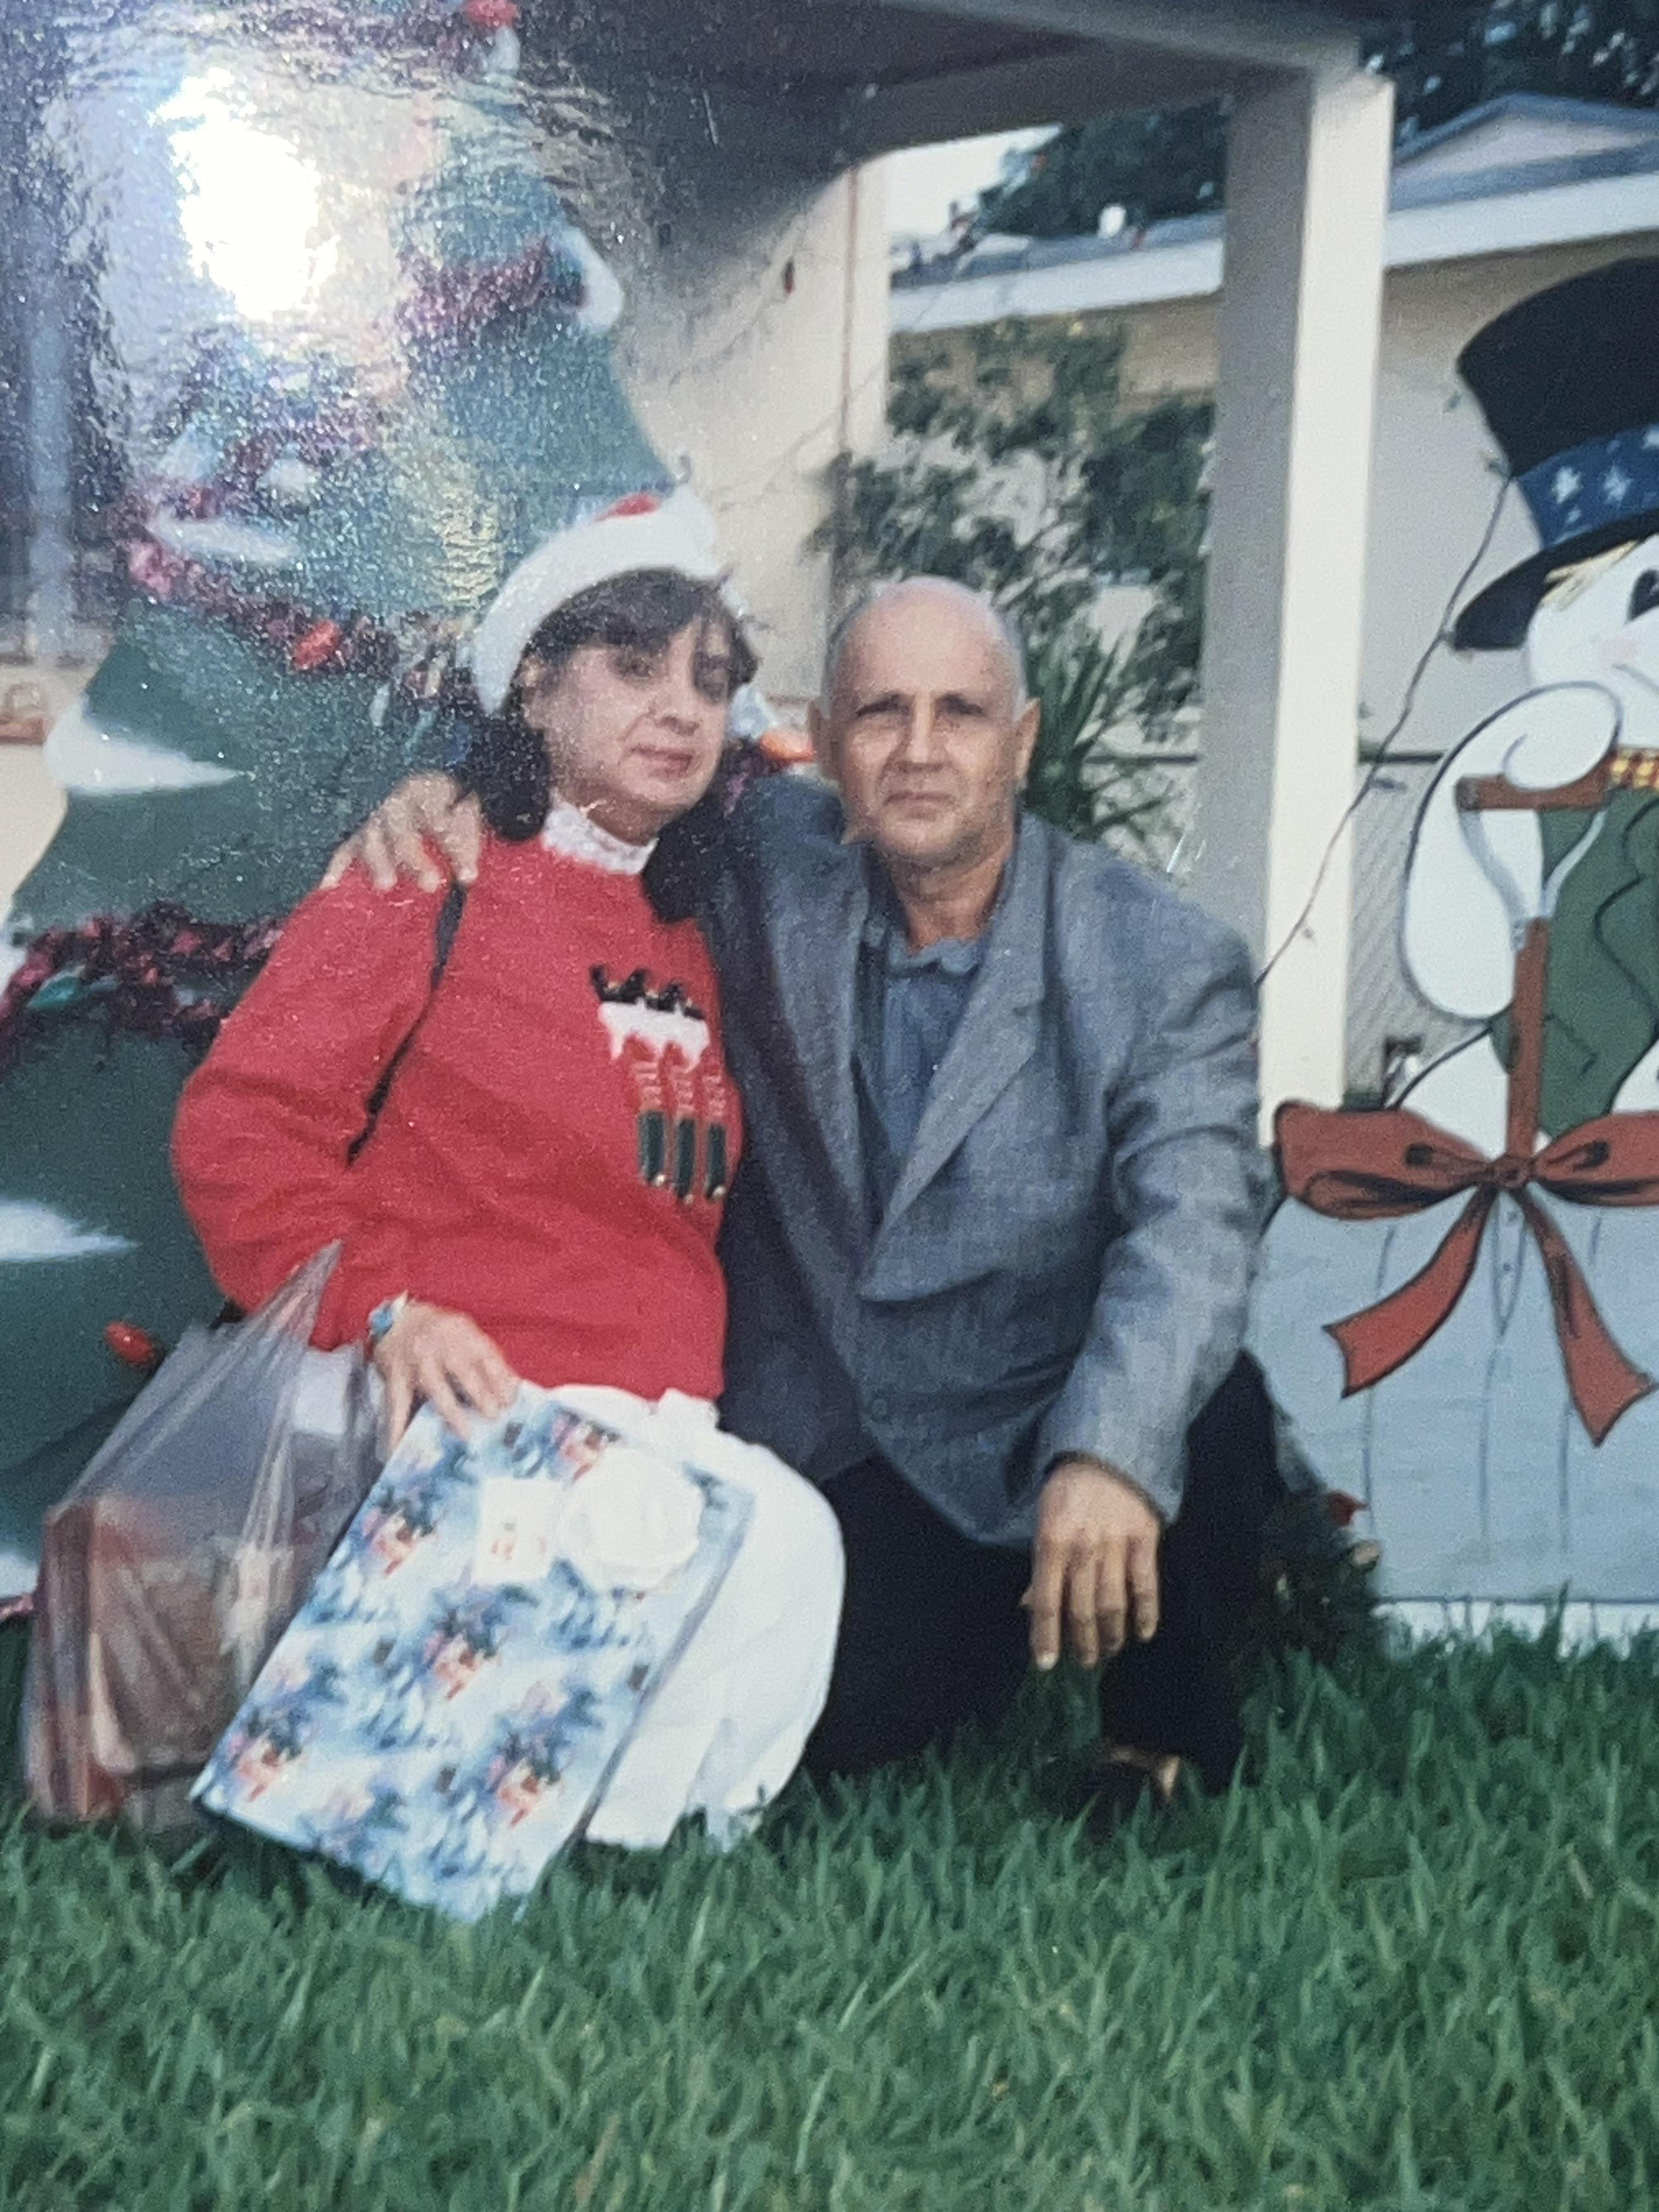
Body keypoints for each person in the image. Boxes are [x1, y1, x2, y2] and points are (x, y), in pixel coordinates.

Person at [330, 576, 1276, 1815]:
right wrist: (452, 793)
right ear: (825, 744)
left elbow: (1195, 1231)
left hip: (1036, 1409)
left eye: (964, 714)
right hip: (835, 1437)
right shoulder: (763, 865)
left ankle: (1159, 1740)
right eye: (882, 715)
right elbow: (590, 782)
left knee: (1208, 1406)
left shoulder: (1157, 956)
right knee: (817, 1735)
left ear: (1024, 740)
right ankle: (993, 1631)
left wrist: (1104, 1454)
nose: (923, 752)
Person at [170, 488, 845, 1851]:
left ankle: (617, 1847)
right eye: (636, 664)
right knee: (679, 1526)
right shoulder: (431, 869)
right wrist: (385, 1308)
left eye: (712, 684)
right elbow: (239, 1127)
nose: (682, 708)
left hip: (657, 1412)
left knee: (791, 1539)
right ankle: (487, 1828)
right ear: (536, 677)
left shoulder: (704, 921)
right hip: (450, 1396)